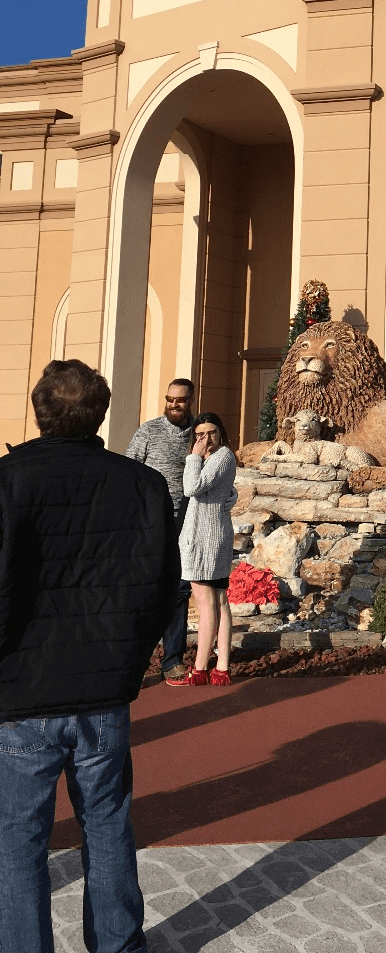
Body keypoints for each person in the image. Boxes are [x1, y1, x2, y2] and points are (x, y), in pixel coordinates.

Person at [0, 359, 178, 953]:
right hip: (102, 689)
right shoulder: (142, 485)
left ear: (39, 411)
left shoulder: (8, 479)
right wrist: (133, 663)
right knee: (106, 828)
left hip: (23, 693)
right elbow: (161, 589)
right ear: (99, 413)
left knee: (19, 841)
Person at [126, 378, 196, 686]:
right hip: (151, 520)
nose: (173, 404)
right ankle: (134, 662)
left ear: (190, 400)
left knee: (179, 590)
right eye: (169, 399)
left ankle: (172, 660)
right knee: (145, 589)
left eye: (179, 400)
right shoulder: (149, 431)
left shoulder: (200, 432)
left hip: (187, 521)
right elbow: (130, 470)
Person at [180, 413, 238, 686]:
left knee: (207, 604)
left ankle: (202, 667)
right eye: (200, 435)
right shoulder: (214, 459)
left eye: (211, 433)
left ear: (221, 432)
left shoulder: (221, 456)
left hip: (206, 540)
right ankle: (222, 667)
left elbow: (191, 487)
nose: (206, 439)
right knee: (218, 602)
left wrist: (193, 456)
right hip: (208, 535)